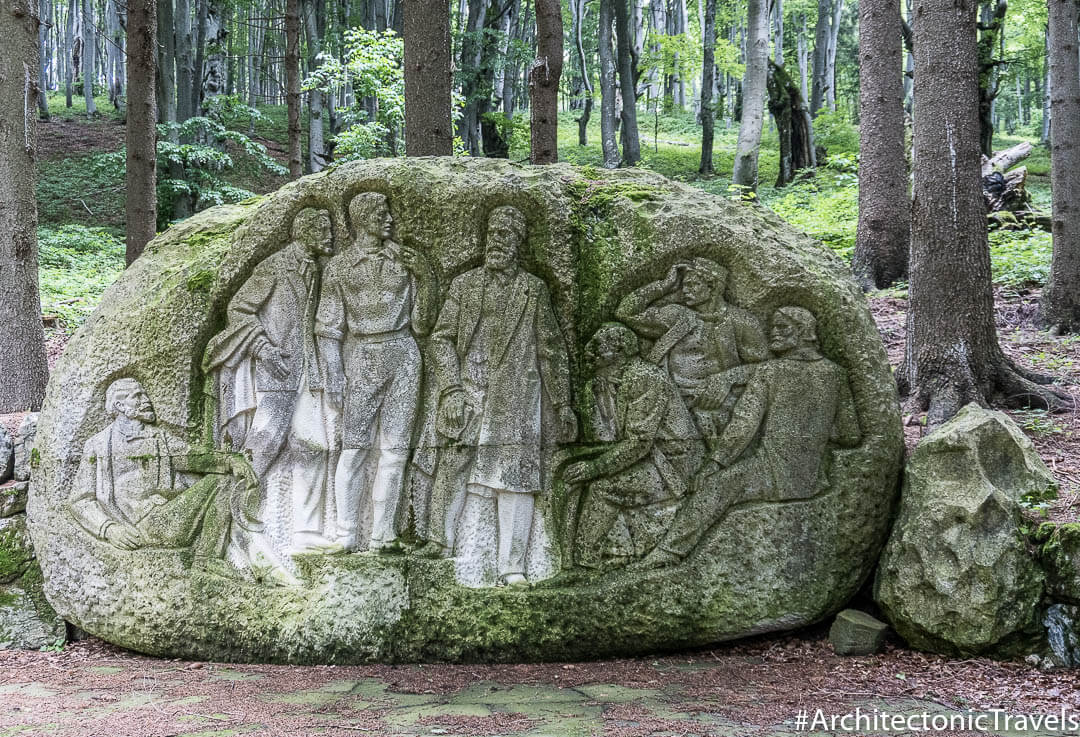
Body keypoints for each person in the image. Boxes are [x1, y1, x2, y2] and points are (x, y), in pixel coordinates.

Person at [633, 307, 861, 568]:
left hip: (772, 475)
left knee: (714, 488)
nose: (773, 333)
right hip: (813, 479)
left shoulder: (770, 372)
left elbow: (743, 425)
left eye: (783, 327)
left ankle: (668, 552)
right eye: (773, 326)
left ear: (805, 333)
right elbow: (850, 435)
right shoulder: (836, 374)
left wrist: (714, 464)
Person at [421, 205, 577, 585]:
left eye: (506, 234)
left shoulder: (533, 289)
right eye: (492, 233)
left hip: (516, 396)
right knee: (454, 461)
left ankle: (513, 567)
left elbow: (551, 349)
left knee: (517, 477)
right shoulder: (465, 285)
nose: (496, 241)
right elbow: (440, 339)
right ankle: (438, 542)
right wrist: (452, 389)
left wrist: (562, 403)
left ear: (519, 242)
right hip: (469, 388)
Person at [202, 207, 337, 553]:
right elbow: (239, 309)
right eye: (324, 229)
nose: (331, 235)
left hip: (307, 371)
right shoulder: (275, 267)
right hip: (274, 370)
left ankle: (305, 532)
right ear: (304, 231)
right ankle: (230, 526)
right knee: (262, 446)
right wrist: (263, 348)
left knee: (314, 446)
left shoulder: (319, 270)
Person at [315, 192, 437, 553]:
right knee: (353, 448)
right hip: (361, 354)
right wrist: (335, 373)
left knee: (396, 449)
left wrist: (426, 278)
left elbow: (423, 323)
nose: (389, 219)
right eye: (381, 213)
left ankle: (384, 533)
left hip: (402, 352)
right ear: (361, 219)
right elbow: (328, 326)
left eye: (389, 212)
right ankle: (346, 533)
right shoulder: (339, 267)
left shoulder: (406, 261)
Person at [70, 378, 261, 564]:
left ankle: (206, 559)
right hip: (140, 526)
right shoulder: (98, 444)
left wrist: (228, 461)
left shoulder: (158, 437)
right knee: (222, 482)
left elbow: (192, 457)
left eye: (146, 395)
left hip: (167, 517)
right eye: (137, 396)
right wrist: (109, 529)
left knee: (226, 479)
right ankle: (207, 560)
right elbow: (80, 500)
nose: (146, 401)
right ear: (119, 405)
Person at [563, 323, 704, 568]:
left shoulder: (645, 377)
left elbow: (640, 441)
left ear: (620, 349)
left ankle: (586, 562)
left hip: (671, 464)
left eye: (599, 345)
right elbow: (604, 439)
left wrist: (593, 468)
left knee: (602, 488)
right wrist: (596, 398)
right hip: (644, 457)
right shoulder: (602, 384)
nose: (590, 350)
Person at [615, 258, 768, 446]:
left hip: (720, 404)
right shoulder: (677, 315)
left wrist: (729, 378)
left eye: (693, 284)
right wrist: (663, 286)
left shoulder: (743, 321)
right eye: (684, 285)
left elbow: (767, 368)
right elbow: (625, 313)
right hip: (672, 401)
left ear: (713, 287)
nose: (685, 290)